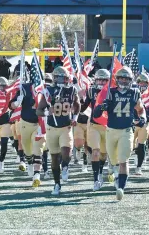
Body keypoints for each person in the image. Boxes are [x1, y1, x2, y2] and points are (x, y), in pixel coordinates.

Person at [94, 67, 146, 200]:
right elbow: (95, 114)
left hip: (126, 130)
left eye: (126, 78)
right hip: (111, 130)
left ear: (130, 80)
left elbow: (141, 109)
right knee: (113, 160)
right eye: (121, 78)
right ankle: (117, 176)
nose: (123, 80)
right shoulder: (110, 93)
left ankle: (121, 188)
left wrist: (143, 118)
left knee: (124, 160)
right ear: (117, 79)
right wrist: (102, 107)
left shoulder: (134, 93)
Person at [36, 67, 79, 195]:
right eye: (59, 77)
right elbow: (38, 110)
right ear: (54, 78)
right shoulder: (48, 91)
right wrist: (46, 112)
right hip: (51, 128)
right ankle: (56, 184)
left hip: (65, 126)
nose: (61, 80)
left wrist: (75, 117)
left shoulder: (71, 90)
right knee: (54, 157)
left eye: (63, 77)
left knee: (66, 153)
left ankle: (65, 166)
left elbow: (77, 105)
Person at [80, 69, 110, 190]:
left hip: (107, 125)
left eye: (104, 80)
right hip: (93, 124)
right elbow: (84, 106)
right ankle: (96, 179)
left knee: (104, 154)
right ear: (95, 79)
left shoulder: (112, 91)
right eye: (100, 79)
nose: (102, 82)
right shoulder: (91, 90)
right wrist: (78, 103)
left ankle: (101, 170)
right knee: (96, 152)